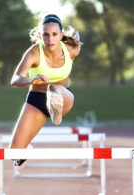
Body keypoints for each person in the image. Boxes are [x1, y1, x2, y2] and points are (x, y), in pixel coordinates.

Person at [9, 14, 81, 169]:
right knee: (13, 153)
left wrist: (76, 35)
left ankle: (55, 108)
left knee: (53, 88)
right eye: (46, 35)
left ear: (61, 36)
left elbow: (77, 45)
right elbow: (15, 79)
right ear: (40, 35)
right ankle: (25, 150)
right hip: (37, 100)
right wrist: (31, 80)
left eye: (55, 35)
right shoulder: (34, 52)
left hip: (63, 97)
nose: (50, 39)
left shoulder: (70, 51)